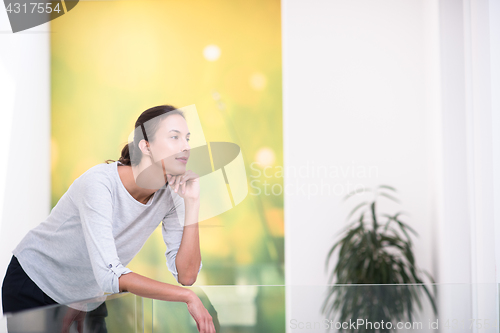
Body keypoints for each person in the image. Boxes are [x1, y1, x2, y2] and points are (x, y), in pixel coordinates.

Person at [1, 105, 216, 333]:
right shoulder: (99, 184)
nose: (186, 147)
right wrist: (187, 297)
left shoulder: (174, 194)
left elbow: (187, 274)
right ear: (146, 146)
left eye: (188, 138)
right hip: (35, 283)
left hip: (86, 295)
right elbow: (108, 273)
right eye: (175, 137)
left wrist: (192, 204)